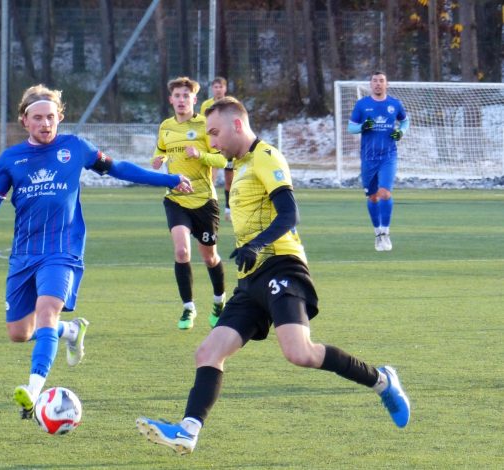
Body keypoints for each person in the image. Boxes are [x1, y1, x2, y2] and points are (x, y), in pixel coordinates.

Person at [136, 97, 410, 455]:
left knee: (299, 353)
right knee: (208, 351)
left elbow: (289, 215)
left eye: (215, 133)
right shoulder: (239, 166)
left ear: (237, 124)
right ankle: (188, 431)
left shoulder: (266, 157)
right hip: (251, 278)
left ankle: (382, 380)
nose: (212, 143)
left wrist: (257, 243)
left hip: (282, 264)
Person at [0, 84, 192, 420]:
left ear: (60, 118)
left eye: (51, 117)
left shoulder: (75, 148)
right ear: (24, 120)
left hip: (62, 250)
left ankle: (33, 391)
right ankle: (70, 331)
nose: (45, 124)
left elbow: (119, 168)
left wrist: (169, 179)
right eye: (38, 118)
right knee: (19, 333)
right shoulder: (11, 159)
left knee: (46, 313)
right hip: (25, 254)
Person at [152, 76, 229, 331]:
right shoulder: (165, 127)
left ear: (194, 100)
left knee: (209, 256)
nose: (182, 100)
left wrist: (201, 155)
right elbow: (161, 150)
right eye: (177, 96)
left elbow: (221, 160)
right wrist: (158, 160)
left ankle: (219, 301)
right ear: (170, 99)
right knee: (182, 251)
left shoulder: (205, 124)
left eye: (186, 96)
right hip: (176, 198)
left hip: (204, 200)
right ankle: (188, 308)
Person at [347, 71, 409, 252]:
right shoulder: (362, 105)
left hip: (388, 156)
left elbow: (405, 122)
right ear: (370, 84)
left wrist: (401, 133)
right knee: (372, 197)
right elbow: (351, 127)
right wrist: (362, 127)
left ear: (386, 84)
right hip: (368, 157)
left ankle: (386, 232)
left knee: (384, 193)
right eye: (374, 81)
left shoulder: (394, 104)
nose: (378, 84)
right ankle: (377, 234)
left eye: (381, 81)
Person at [199, 76, 234, 222]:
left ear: (225, 88)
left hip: (228, 146)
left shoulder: (231, 104)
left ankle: (229, 208)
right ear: (212, 89)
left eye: (220, 87)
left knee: (229, 180)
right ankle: (209, 208)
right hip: (213, 145)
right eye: (215, 87)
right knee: (211, 178)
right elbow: (202, 125)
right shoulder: (206, 105)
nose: (218, 89)